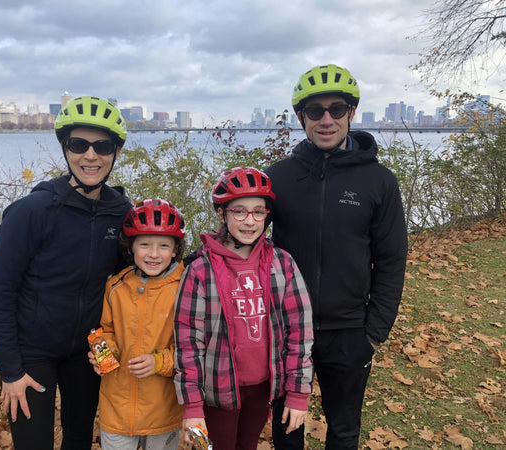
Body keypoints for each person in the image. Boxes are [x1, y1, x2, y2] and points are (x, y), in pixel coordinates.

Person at [265, 64, 409, 449]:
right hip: (287, 328)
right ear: (301, 118)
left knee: (344, 431)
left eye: (337, 109)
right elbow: (245, 240)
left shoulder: (379, 181)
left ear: (351, 113)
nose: (326, 119)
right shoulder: (278, 177)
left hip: (349, 330)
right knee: (287, 430)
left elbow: (392, 259)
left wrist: (374, 333)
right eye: (315, 111)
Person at [0, 95, 132, 450]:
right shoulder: (32, 211)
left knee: (79, 439)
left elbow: (130, 277)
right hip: (33, 351)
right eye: (79, 145)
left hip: (87, 349)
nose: (91, 156)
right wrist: (10, 372)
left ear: (115, 152)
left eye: (103, 146)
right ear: (65, 148)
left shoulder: (120, 210)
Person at [174, 166, 314, 450]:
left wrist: (298, 393)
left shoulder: (282, 264)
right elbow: (188, 343)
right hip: (217, 389)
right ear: (222, 214)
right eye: (239, 211)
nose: (249, 221)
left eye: (258, 212)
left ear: (267, 215)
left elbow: (300, 330)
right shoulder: (200, 271)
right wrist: (192, 406)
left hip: (262, 388)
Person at [88, 198, 186, 450]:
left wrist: (159, 362)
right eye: (145, 245)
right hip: (116, 409)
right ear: (131, 246)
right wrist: (105, 353)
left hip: (163, 412)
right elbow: (105, 330)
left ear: (175, 249)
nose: (154, 254)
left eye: (164, 245)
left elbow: (193, 348)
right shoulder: (116, 286)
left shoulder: (185, 288)